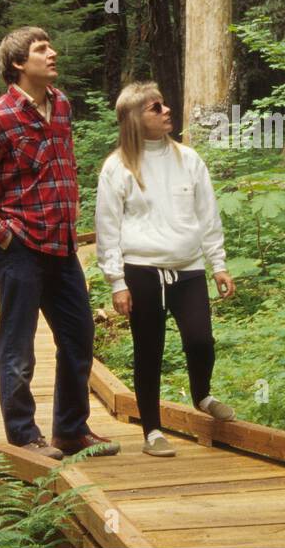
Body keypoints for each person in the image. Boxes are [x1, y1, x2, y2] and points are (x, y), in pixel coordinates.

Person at [0, 27, 119, 459]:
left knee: (79, 336)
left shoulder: (61, 104)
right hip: (21, 249)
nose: (52, 54)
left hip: (62, 247)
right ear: (17, 64)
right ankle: (25, 437)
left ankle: (71, 430)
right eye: (41, 50)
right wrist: (4, 236)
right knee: (18, 345)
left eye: (50, 47)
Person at [94, 82, 237, 457]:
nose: (166, 111)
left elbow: (208, 215)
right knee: (149, 350)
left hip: (188, 267)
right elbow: (107, 227)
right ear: (134, 119)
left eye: (164, 104)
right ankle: (152, 431)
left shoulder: (189, 159)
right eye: (155, 108)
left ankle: (202, 395)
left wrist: (218, 264)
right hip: (141, 270)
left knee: (200, 340)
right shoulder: (117, 167)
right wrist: (117, 282)